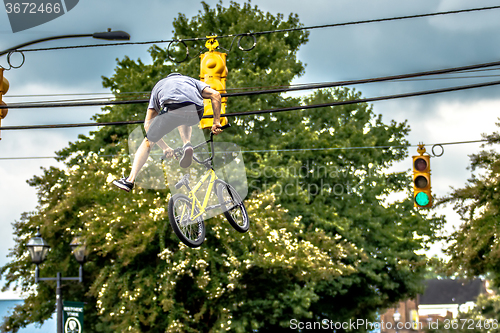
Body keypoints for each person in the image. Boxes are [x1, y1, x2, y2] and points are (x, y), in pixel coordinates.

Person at [112, 73, 223, 192]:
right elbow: (216, 95)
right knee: (185, 114)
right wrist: (216, 121)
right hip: (196, 111)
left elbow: (147, 125)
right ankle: (187, 144)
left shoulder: (159, 85)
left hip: (172, 108)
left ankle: (130, 180)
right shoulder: (191, 80)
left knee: (149, 141)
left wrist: (164, 147)